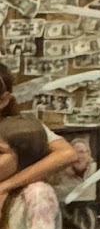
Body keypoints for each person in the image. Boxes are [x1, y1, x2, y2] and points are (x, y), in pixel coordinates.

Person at [0, 63, 91, 203]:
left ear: (4, 100)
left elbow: (67, 154)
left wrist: (8, 185)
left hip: (18, 198)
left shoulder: (21, 128)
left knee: (39, 192)